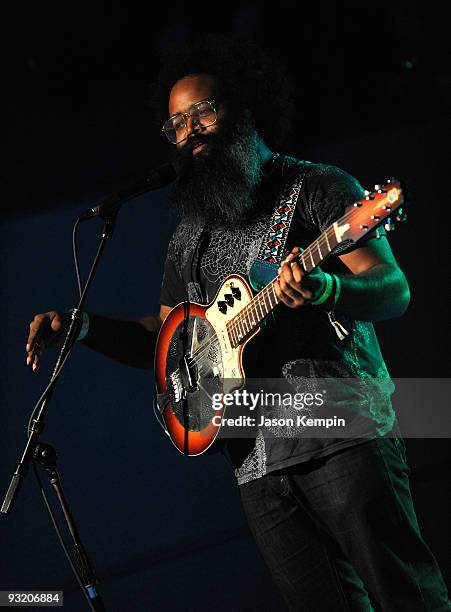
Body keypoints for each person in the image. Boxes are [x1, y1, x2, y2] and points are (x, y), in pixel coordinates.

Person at [25, 35, 450, 611]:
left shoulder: (317, 187)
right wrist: (85, 328)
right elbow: (173, 342)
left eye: (204, 111)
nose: (190, 130)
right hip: (253, 465)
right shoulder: (187, 240)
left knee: (403, 598)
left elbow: (392, 290)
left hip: (341, 435)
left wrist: (327, 288)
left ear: (245, 110)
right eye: (176, 123)